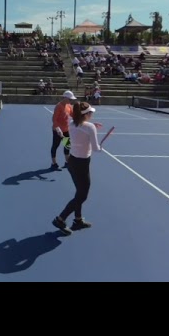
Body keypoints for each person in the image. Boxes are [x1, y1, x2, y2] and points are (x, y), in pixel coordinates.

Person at [52, 101, 104, 236]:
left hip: (71, 163)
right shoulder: (89, 127)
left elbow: (71, 141)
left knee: (78, 192)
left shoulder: (72, 124)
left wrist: (93, 129)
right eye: (90, 112)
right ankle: (60, 219)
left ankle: (78, 219)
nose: (92, 114)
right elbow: (95, 148)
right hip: (82, 164)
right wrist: (100, 147)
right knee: (82, 195)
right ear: (86, 114)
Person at [51, 90, 77, 170]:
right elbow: (54, 119)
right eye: (70, 99)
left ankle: (67, 162)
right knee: (55, 146)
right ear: (65, 98)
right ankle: (54, 163)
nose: (71, 101)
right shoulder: (58, 106)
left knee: (67, 146)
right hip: (57, 131)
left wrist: (81, 116)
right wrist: (58, 129)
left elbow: (73, 115)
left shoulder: (69, 105)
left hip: (66, 130)